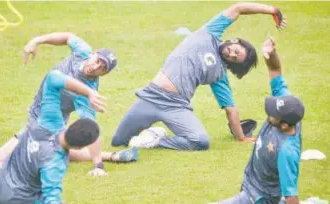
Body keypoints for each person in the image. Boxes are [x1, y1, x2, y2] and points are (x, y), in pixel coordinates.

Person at [111, 2, 287, 150]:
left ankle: (155, 140)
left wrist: (241, 137)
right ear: (234, 41)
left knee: (201, 141)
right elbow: (238, 8)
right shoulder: (209, 32)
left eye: (235, 58)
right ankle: (150, 133)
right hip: (151, 97)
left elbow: (230, 109)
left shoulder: (219, 74)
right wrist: (272, 10)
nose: (232, 54)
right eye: (235, 50)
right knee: (118, 141)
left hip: (176, 106)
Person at [201, 37, 330, 204]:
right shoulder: (286, 104)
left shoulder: (287, 151)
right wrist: (271, 54)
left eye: (273, 114)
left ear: (284, 126)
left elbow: (291, 195)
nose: (270, 112)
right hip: (252, 184)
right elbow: (275, 69)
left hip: (258, 198)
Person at [0, 32, 138, 176]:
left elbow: (91, 128)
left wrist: (98, 166)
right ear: (94, 53)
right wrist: (36, 41)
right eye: (98, 61)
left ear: (104, 74)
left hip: (44, 126)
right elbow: (67, 37)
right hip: (42, 121)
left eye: (102, 68)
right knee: (57, 147)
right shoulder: (82, 51)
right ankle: (113, 155)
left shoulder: (87, 94)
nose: (95, 67)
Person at [0, 70, 107, 204]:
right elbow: (52, 200)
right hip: (20, 199)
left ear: (71, 126)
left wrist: (88, 92)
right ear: (80, 147)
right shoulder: (55, 161)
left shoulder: (48, 119)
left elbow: (53, 78)